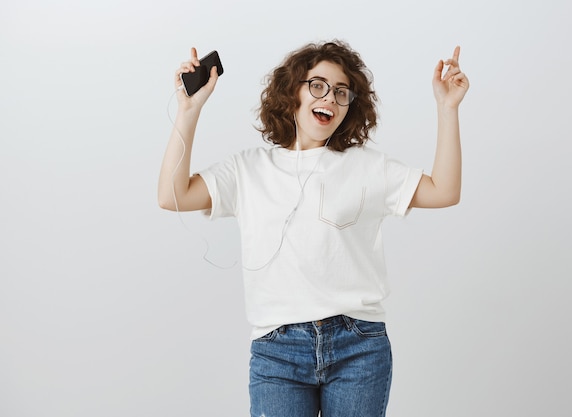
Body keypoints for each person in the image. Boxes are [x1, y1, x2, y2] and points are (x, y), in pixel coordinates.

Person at [158, 40, 469, 417]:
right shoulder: (248, 169)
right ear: (292, 92)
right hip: (277, 352)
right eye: (318, 85)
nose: (331, 99)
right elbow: (172, 196)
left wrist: (447, 108)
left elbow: (444, 190)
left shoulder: (366, 166)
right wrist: (188, 109)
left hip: (358, 347)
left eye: (342, 92)